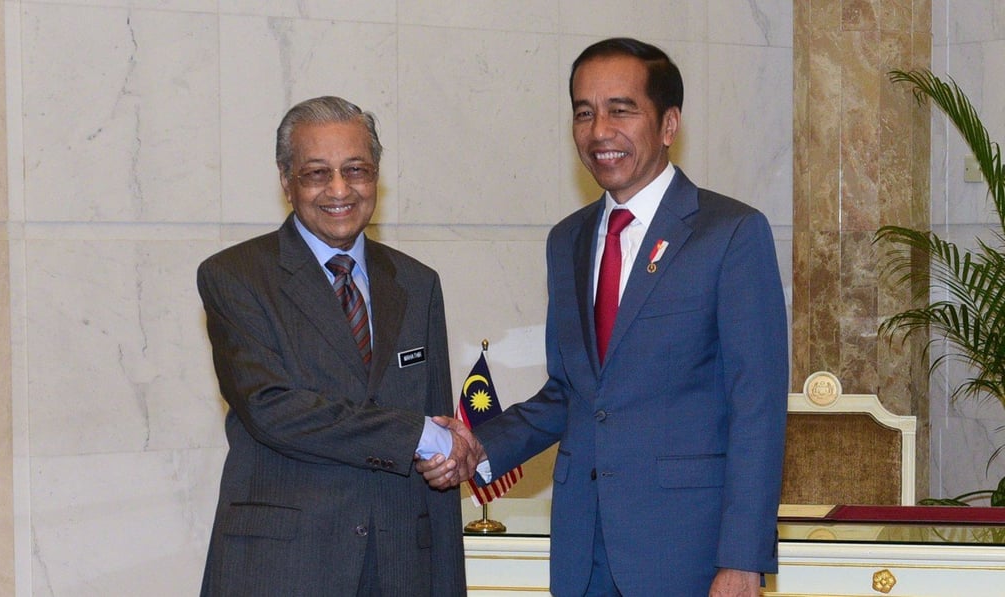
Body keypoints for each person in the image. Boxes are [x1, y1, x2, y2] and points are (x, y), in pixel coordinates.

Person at [419, 38, 788, 596]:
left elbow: (757, 408)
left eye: (621, 109)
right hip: (581, 547)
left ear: (668, 124)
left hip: (686, 550)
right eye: (584, 113)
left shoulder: (730, 234)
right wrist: (479, 446)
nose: (599, 131)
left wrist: (742, 559)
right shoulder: (566, 239)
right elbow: (571, 394)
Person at [197, 95, 473, 596]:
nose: (340, 190)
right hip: (284, 569)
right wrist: (419, 435)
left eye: (356, 170)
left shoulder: (418, 283)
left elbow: (439, 457)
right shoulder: (234, 277)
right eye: (317, 173)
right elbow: (272, 409)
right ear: (286, 181)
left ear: (377, 176)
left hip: (400, 569)